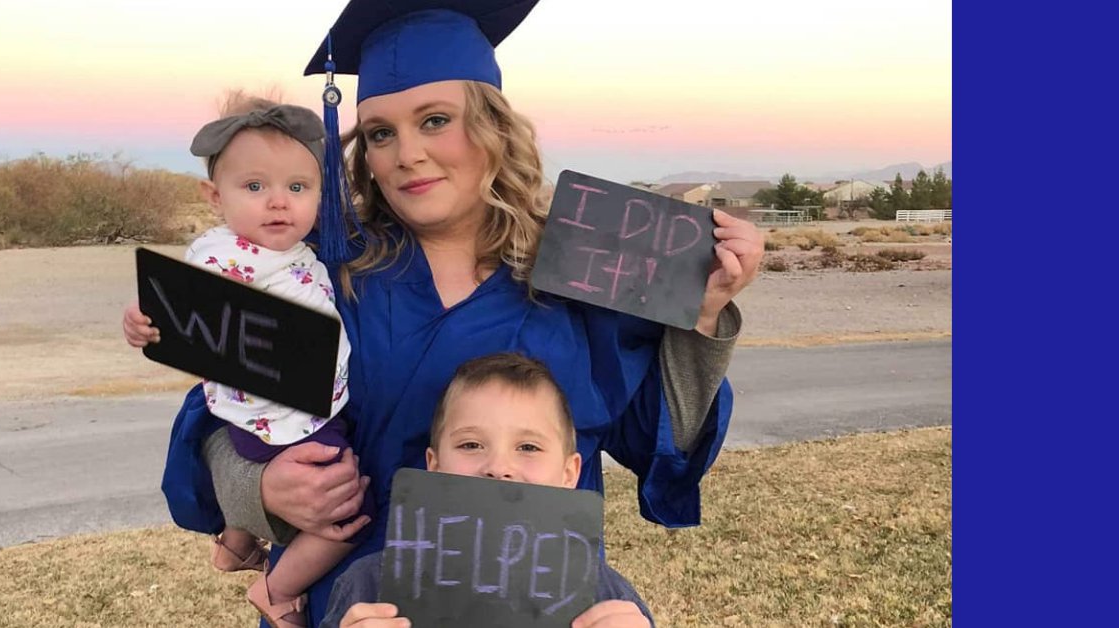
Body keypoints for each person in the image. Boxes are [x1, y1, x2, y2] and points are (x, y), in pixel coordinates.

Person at [122, 0, 764, 624]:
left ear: (493, 126)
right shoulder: (319, 272)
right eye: (380, 133)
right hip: (349, 601)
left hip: (532, 600)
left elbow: (658, 446)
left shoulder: (585, 269)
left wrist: (701, 316)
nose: (408, 154)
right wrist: (259, 491)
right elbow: (216, 417)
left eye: (435, 120)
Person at [172, 94, 372, 627]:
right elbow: (182, 315)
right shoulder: (227, 257)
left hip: (297, 408)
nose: (278, 203)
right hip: (285, 415)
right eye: (255, 187)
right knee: (347, 511)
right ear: (214, 196)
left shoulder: (305, 249)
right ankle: (277, 591)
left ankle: (236, 543)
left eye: (298, 188)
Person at [321, 352, 654, 628]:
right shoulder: (368, 587)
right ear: (434, 466)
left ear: (569, 474)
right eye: (471, 444)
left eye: (528, 447)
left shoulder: (605, 598)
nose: (498, 466)